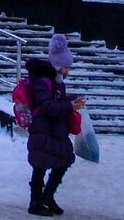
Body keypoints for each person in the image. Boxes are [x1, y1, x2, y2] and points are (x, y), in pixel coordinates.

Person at [25, 33, 85, 216]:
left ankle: (47, 196)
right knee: (40, 165)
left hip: (55, 129)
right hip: (43, 129)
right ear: (58, 66)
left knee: (63, 161)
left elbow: (55, 100)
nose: (68, 71)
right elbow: (45, 105)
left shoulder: (56, 82)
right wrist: (68, 106)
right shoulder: (44, 81)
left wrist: (72, 100)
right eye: (66, 67)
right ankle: (35, 201)